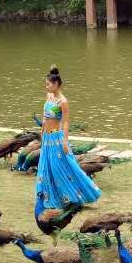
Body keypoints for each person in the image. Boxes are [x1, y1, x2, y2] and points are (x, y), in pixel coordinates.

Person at [35, 66, 101, 210]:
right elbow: (45, 116)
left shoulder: (62, 102)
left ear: (56, 84)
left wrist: (65, 141)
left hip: (57, 139)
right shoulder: (49, 97)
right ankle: (48, 195)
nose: (46, 86)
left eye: (48, 84)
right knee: (46, 167)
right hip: (47, 137)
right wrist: (42, 131)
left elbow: (65, 122)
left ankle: (77, 195)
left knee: (63, 167)